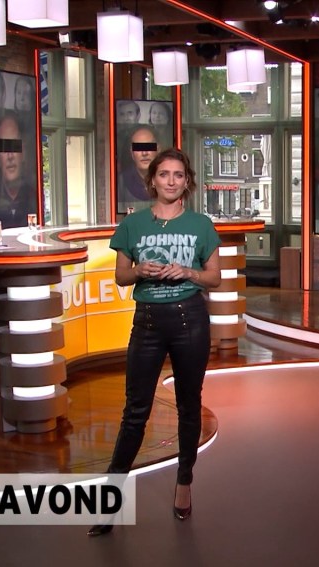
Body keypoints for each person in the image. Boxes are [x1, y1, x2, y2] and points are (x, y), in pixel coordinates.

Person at [88, 148, 222, 537]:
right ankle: (111, 498)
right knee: (135, 411)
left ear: (187, 182)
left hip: (190, 321)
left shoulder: (201, 225)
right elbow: (120, 276)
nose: (171, 181)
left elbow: (214, 278)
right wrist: (139, 270)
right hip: (147, 323)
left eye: (178, 175)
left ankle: (184, 482)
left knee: (188, 406)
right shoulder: (133, 225)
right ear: (152, 181)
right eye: (164, 174)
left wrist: (188, 272)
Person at [0, 111, 37, 229]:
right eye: (4, 147)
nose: (10, 156)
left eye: (15, 146)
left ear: (23, 153)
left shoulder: (35, 196)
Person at [117, 124, 160, 209]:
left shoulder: (168, 180)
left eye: (149, 147)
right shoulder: (120, 183)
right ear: (132, 153)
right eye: (139, 148)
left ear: (158, 149)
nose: (144, 153)